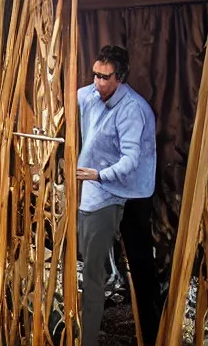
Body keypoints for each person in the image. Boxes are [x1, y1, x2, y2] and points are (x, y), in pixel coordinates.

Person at [77, 45, 157, 346]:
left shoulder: (132, 110)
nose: (98, 82)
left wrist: (97, 175)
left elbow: (130, 161)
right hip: (101, 191)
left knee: (140, 264)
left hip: (131, 194)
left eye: (105, 77)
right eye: (95, 75)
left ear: (120, 77)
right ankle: (90, 332)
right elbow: (76, 99)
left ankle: (151, 335)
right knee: (93, 261)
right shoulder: (91, 96)